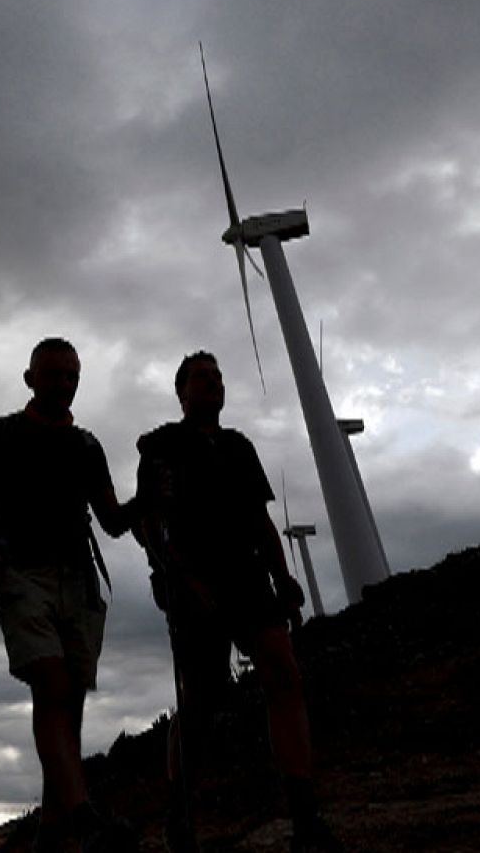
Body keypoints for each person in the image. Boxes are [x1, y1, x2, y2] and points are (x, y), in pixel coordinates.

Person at [134, 351, 343, 853]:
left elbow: (260, 520)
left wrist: (284, 577)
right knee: (201, 703)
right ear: (181, 392)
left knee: (283, 672)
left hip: (247, 577)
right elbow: (149, 524)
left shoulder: (239, 447)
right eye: (202, 378)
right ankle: (180, 812)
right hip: (192, 584)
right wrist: (180, 577)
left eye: (218, 377)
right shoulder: (162, 446)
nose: (214, 384)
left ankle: (304, 811)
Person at [0, 337, 137, 853]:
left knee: (66, 708)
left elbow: (110, 520)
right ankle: (85, 821)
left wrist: (147, 500)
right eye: (54, 373)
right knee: (55, 689)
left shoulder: (87, 446)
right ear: (29, 378)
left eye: (70, 375)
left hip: (78, 580)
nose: (63, 382)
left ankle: (51, 836)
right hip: (22, 575)